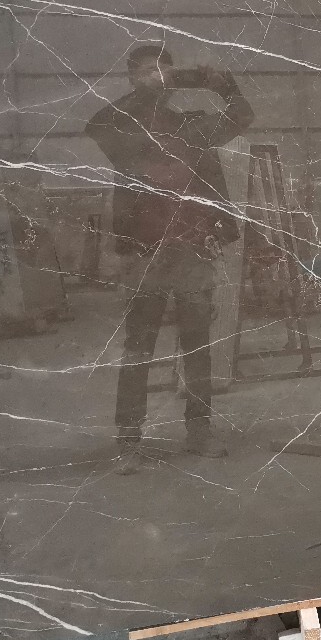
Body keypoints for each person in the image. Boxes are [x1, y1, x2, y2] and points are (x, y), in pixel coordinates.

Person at [86, 44, 254, 474]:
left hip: (192, 249)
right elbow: (95, 125)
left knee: (197, 345)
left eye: (163, 71)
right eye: (145, 72)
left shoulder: (190, 127)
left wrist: (223, 85)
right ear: (131, 79)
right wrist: (147, 92)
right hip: (145, 253)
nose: (156, 78)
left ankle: (199, 431)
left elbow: (242, 116)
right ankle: (129, 441)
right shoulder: (122, 130)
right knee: (139, 347)